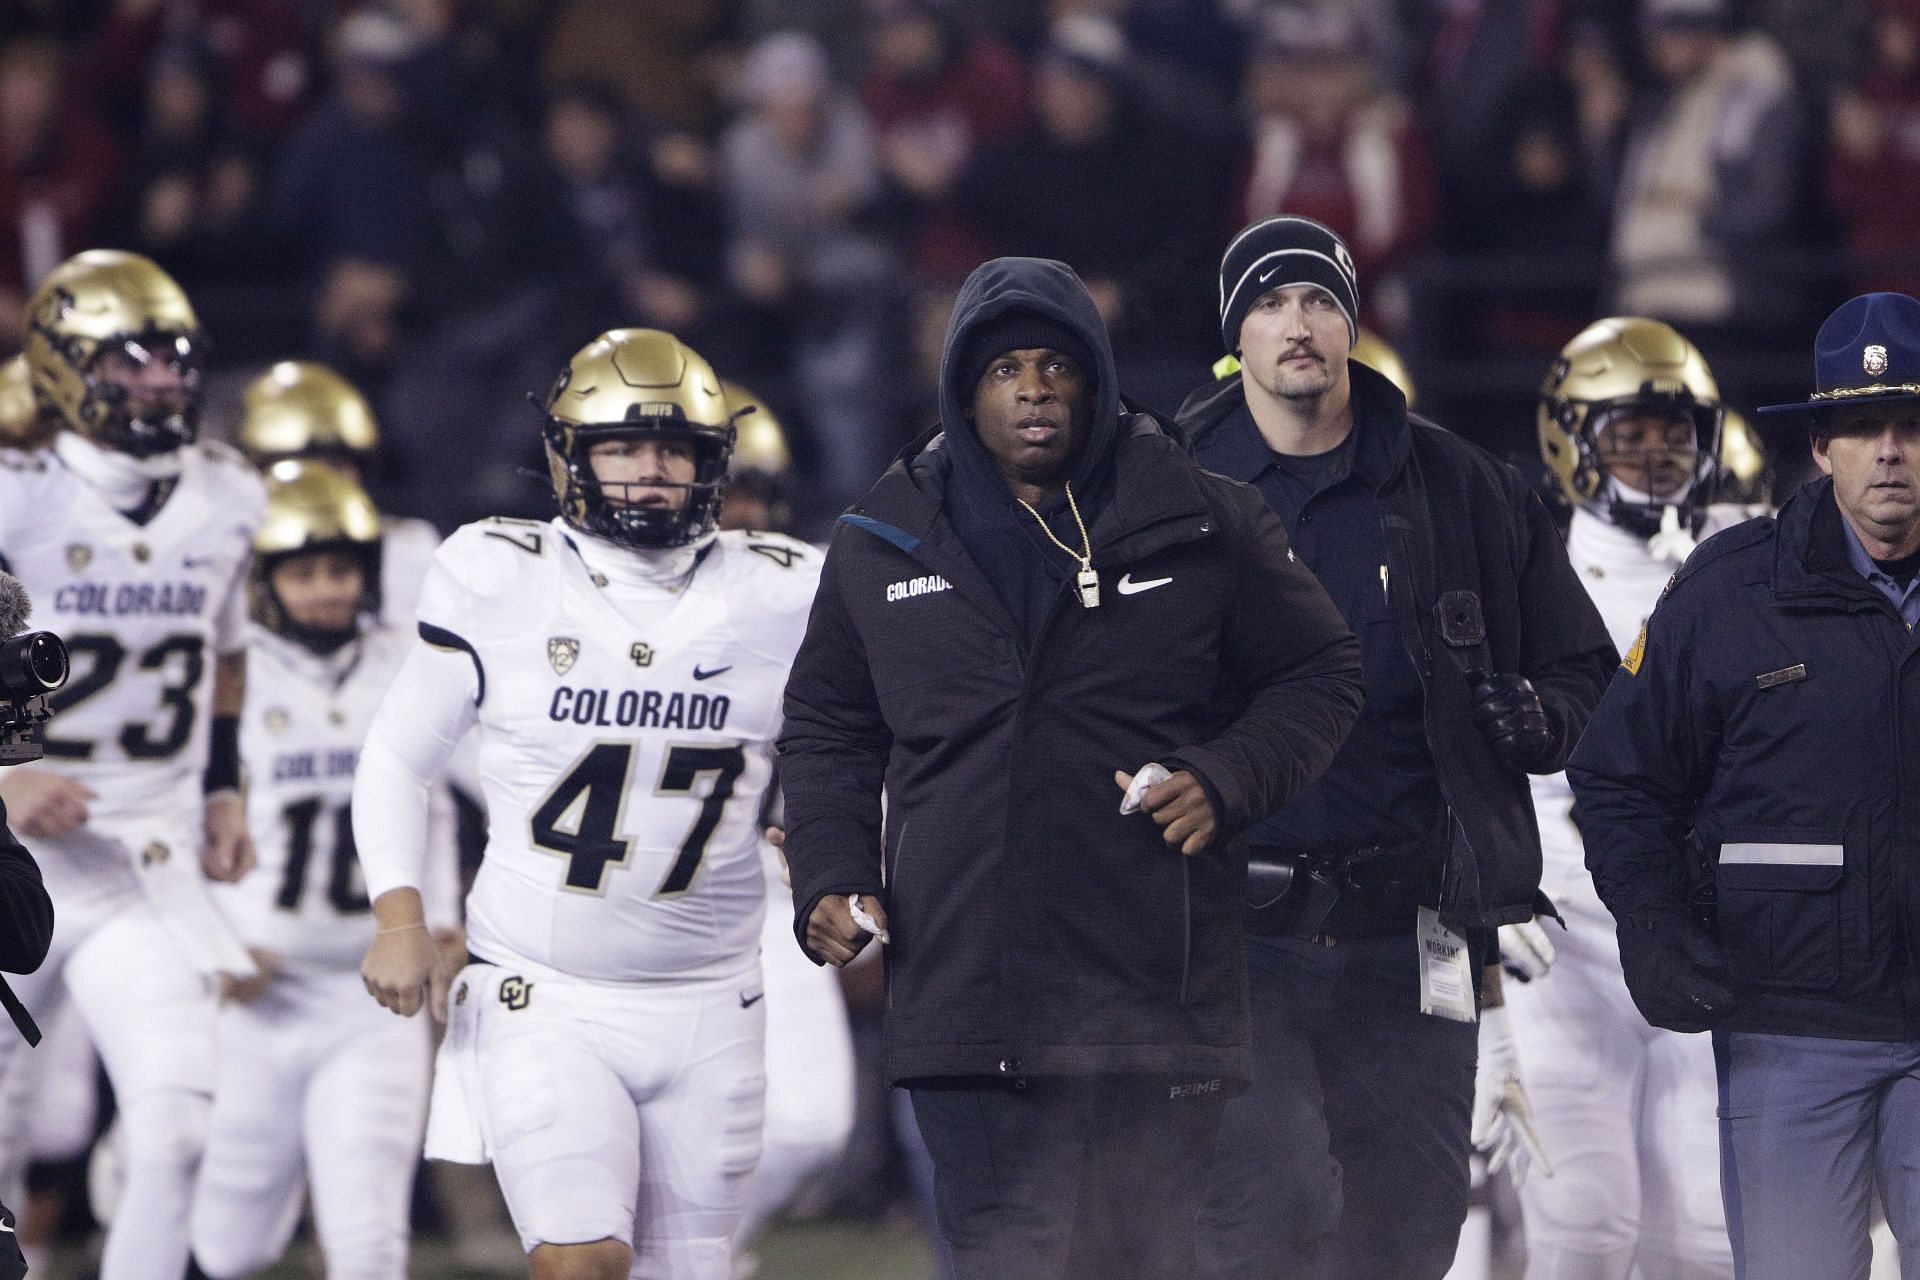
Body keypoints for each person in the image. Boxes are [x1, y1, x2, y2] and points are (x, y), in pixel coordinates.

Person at [777, 254, 1365, 1280]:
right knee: (1009, 1255)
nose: (1035, 389)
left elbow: (1322, 670)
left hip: (1152, 986)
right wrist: (829, 867)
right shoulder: (882, 534)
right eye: (1006, 370)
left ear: (1095, 378)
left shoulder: (1202, 514)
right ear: (966, 388)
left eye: (1057, 365)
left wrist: (1228, 775)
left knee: (1141, 1261)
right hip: (967, 987)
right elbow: (829, 722)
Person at [1177, 216, 1617, 1280]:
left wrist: (1543, 719)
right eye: (1274, 301)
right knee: (1264, 1213)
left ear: (1354, 323)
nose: (1300, 323)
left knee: (1411, 1233)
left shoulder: (1462, 485)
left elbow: (1587, 671)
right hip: (1233, 930)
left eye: (1321, 299)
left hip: (1415, 934)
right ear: (1237, 328)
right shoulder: (1163, 484)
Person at [352, 329, 820, 1280]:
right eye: (621, 447)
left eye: (674, 449)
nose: (649, 472)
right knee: (580, 1260)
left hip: (715, 999)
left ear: (712, 461)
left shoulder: (786, 590)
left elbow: (856, 738)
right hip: (543, 991)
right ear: (570, 456)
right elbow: (398, 757)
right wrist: (400, 913)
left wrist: (828, 826)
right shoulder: (499, 573)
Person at [1568, 290, 1920, 1279]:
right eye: (1862, 425)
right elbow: (1618, 775)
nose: (1889, 450)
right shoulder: (1726, 593)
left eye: (1909, 424)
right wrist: (1651, 918)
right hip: (1788, 1027)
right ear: (1821, 446)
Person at [0, 249, 265, 1280]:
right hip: (15, 857)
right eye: (131, 359)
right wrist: (4, 776)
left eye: (173, 358)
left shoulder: (231, 491)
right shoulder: (17, 490)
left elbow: (228, 649)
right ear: (65, 366)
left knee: (179, 1128)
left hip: (143, 861)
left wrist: (224, 783)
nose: (160, 380)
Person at [1512, 316, 1746, 1279]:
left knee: (1703, 1234)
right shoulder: (1533, 566)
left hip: (1706, 926)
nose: (1656, 453)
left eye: (1674, 432)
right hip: (1565, 935)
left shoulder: (1745, 561)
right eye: (1628, 433)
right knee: (1582, 1226)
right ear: (1574, 439)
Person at [192, 460, 459, 1280]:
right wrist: (212, 945)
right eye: (303, 572)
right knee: (230, 1246)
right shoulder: (232, 674)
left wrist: (440, 919)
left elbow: (435, 803)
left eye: (340, 569)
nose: (325, 590)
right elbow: (185, 817)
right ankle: (131, 1159)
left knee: (369, 1237)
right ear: (266, 582)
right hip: (255, 998)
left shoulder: (407, 663)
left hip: (366, 995)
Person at [236, 360, 441, 624]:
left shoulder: (412, 549)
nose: (321, 483)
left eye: (336, 464)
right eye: (304, 468)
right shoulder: (221, 556)